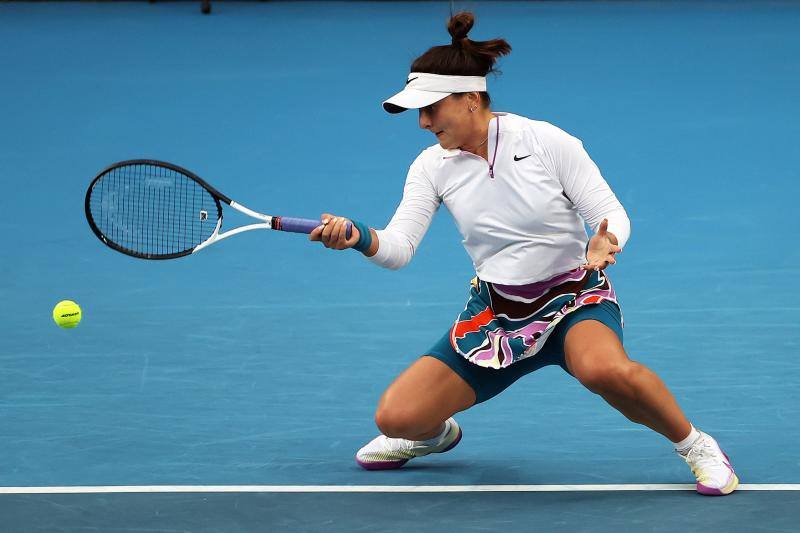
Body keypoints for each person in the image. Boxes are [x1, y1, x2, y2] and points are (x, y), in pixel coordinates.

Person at [309, 12, 738, 496]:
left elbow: (610, 212)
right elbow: (400, 248)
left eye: (431, 108)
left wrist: (606, 240)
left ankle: (696, 445)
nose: (424, 122)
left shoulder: (544, 141)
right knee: (397, 416)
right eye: (419, 112)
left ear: (471, 100)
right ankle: (433, 437)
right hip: (496, 313)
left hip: (574, 297)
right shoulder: (431, 166)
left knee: (602, 370)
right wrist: (359, 237)